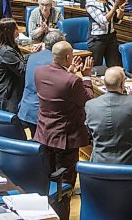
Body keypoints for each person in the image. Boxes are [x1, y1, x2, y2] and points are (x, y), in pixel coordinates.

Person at [34, 41, 94, 220]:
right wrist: (87, 77)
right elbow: (87, 100)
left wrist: (69, 74)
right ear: (68, 57)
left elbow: (57, 91)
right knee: (64, 186)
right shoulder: (73, 80)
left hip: (44, 134)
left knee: (47, 182)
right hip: (65, 139)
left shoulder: (40, 72)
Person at [85, 66, 132, 191]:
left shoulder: (90, 105)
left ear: (105, 84)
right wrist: (130, 99)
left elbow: (89, 132)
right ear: (122, 84)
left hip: (101, 164)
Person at [18, 30, 65, 137]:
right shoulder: (55, 62)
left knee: (36, 141)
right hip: (43, 113)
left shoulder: (32, 56)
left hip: (27, 108)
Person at [0, 18, 41, 113]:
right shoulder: (6, 51)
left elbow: (20, 59)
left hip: (11, 92)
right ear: (9, 31)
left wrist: (32, 54)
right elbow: (22, 70)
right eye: (16, 28)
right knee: (12, 123)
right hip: (7, 95)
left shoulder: (8, 47)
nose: (18, 29)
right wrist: (34, 58)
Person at [86, 0, 126, 67]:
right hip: (97, 39)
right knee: (96, 68)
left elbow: (117, 20)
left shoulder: (108, 1)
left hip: (111, 38)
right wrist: (115, 7)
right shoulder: (90, 4)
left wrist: (122, 8)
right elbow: (103, 21)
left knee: (115, 66)